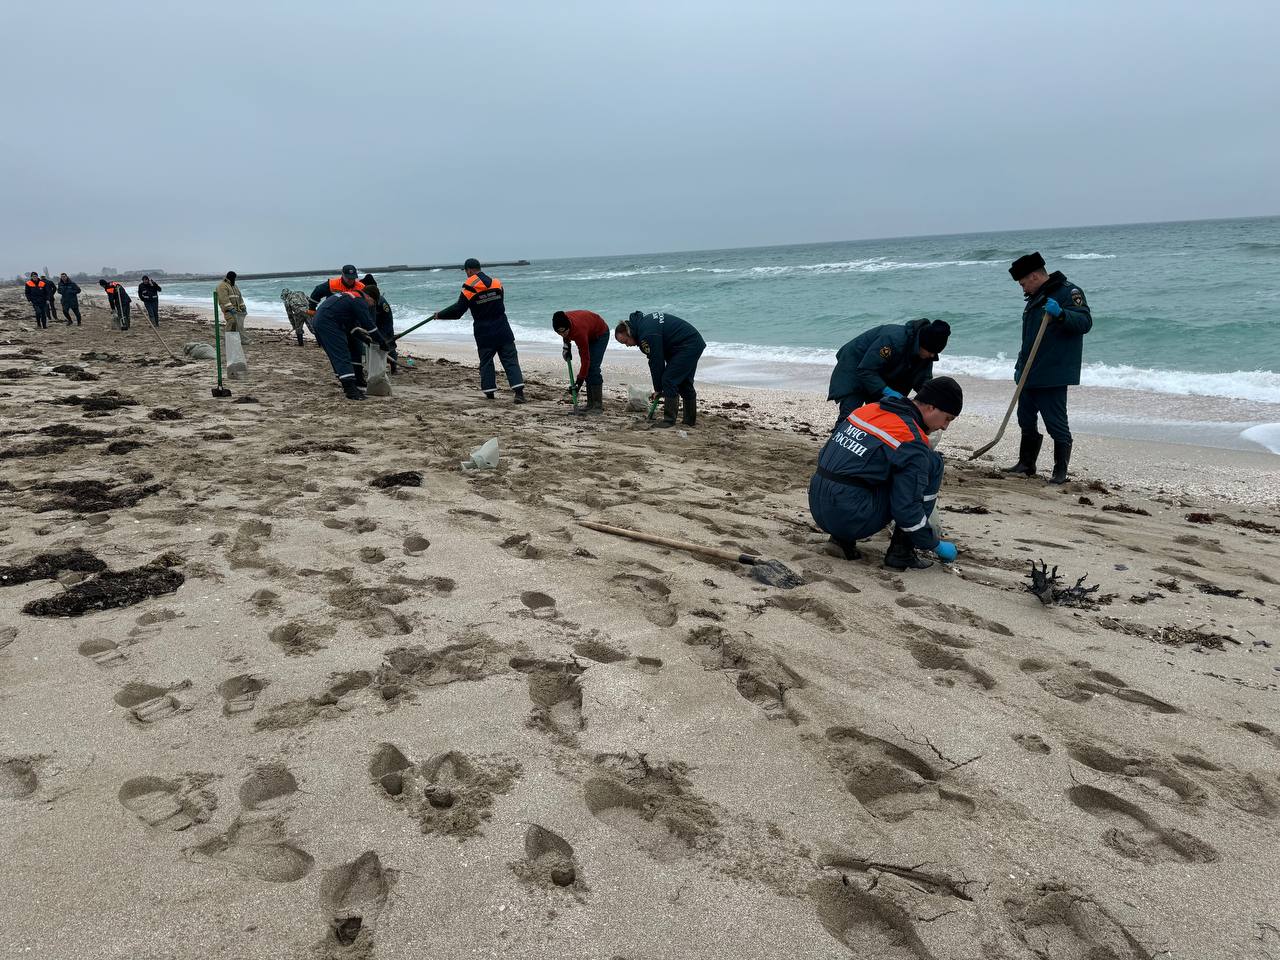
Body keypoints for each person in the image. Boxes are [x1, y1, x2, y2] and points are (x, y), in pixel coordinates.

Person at [808, 376, 963, 570]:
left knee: (866, 470)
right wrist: (933, 544)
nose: (944, 426)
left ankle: (840, 541)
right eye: (947, 418)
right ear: (931, 407)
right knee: (933, 463)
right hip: (850, 517)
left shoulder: (869, 410)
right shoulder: (911, 439)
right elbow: (906, 506)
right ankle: (902, 552)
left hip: (817, 504)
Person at [1003, 252, 1093, 484]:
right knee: (1025, 418)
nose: (1022, 288)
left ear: (1034, 276)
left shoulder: (1068, 292)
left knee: (1056, 424)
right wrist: (1019, 366)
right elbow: (1029, 338)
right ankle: (1026, 464)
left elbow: (1084, 323)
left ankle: (1060, 471)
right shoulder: (1035, 297)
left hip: (1053, 373)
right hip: (1030, 371)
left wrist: (1062, 315)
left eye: (1023, 283)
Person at [430, 258, 525, 403]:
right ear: (479, 268)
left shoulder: (468, 286)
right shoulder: (497, 283)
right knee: (510, 360)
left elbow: (458, 311)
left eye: (466, 272)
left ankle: (490, 393)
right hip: (503, 328)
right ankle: (519, 394)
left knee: (486, 362)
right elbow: (499, 303)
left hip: (484, 331)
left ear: (469, 270)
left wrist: (440, 315)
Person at [827, 318, 950, 427]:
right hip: (854, 368)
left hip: (883, 373)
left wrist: (934, 400)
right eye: (930, 351)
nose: (932, 355)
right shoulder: (892, 340)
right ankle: (832, 448)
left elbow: (923, 381)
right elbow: (866, 370)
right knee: (849, 418)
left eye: (935, 353)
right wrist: (887, 391)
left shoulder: (926, 354)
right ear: (921, 344)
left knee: (883, 417)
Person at [614, 310, 705, 428]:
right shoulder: (642, 326)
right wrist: (659, 388)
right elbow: (657, 358)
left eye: (625, 341)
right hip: (689, 343)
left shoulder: (646, 335)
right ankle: (689, 421)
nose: (627, 345)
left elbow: (656, 361)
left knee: (668, 379)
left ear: (629, 332)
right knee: (684, 382)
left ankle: (669, 420)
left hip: (688, 345)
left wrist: (658, 388)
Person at [312, 287, 389, 401]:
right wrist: (381, 341)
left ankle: (351, 385)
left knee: (340, 353)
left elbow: (351, 326)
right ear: (368, 296)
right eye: (373, 303)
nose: (371, 306)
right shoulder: (359, 301)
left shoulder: (349, 298)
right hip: (328, 323)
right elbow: (369, 324)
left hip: (323, 320)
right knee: (341, 353)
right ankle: (350, 390)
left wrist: (365, 339)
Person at [552, 309, 609, 415]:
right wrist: (566, 347)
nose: (562, 334)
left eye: (564, 331)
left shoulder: (579, 332)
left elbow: (585, 360)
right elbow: (566, 336)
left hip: (600, 334)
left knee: (592, 368)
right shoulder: (562, 320)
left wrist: (578, 382)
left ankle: (597, 405)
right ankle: (590, 404)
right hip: (588, 330)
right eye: (559, 333)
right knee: (588, 369)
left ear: (568, 326)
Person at [361, 274, 398, 372]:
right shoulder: (373, 298)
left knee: (388, 345)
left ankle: (393, 366)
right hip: (377, 325)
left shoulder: (378, 300)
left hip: (384, 326)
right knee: (381, 345)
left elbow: (384, 318)